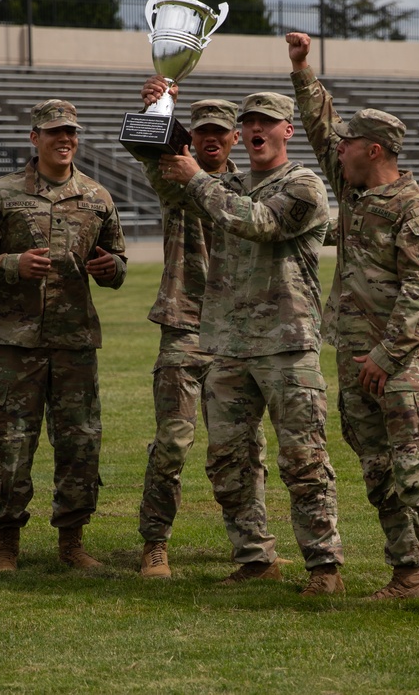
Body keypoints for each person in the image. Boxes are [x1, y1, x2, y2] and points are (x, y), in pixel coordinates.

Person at [287, 31, 419, 618]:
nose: (337, 151)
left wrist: (386, 358)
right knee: (378, 474)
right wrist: (302, 71)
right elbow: (322, 130)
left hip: (396, 368)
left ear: (373, 149)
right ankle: (406, 574)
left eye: (349, 144)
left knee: (416, 469)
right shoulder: (354, 192)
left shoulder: (417, 213)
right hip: (357, 363)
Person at [158, 90, 345, 594]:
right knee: (229, 461)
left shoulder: (303, 185)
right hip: (228, 344)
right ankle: (255, 557)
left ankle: (324, 568)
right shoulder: (228, 183)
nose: (258, 129)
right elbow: (173, 187)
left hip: (287, 344)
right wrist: (160, 115)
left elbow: (257, 222)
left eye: (269, 122)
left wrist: (198, 180)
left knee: (303, 459)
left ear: (288, 130)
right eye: (251, 122)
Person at [0, 99, 127, 573]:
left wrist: (110, 268)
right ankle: (6, 543)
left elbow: (117, 263)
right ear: (34, 138)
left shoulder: (97, 197)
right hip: (17, 343)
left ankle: (72, 542)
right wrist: (12, 265)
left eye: (71, 132)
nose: (64, 140)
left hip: (75, 341)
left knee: (80, 443)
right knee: (12, 442)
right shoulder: (1, 195)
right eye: (54, 132)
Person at [134, 79, 261, 579]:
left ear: (234, 137)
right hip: (185, 325)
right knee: (172, 441)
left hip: (238, 332)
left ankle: (253, 548)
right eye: (202, 130)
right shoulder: (174, 177)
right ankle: (155, 544)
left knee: (243, 446)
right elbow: (150, 151)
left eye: (221, 131)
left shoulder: (253, 189)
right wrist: (156, 107)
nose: (212, 138)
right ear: (192, 138)